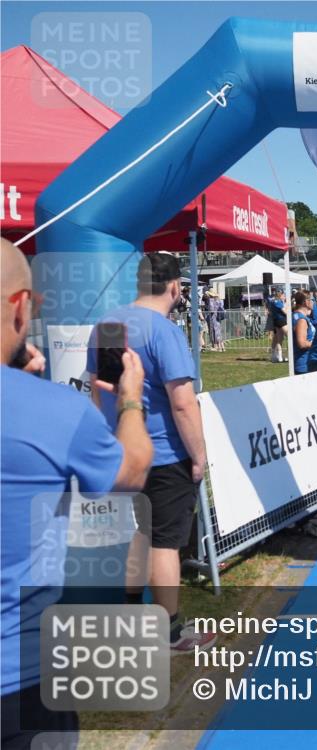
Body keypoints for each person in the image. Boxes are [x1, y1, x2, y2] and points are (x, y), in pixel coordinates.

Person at [2, 238, 152, 748]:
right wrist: (130, 400)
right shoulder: (52, 412)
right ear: (20, 306)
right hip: (18, 678)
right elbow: (130, 472)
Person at [86, 253, 214, 654]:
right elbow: (182, 403)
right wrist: (199, 455)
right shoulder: (165, 332)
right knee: (163, 543)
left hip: (121, 451)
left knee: (137, 537)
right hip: (163, 454)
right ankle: (171, 631)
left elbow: (98, 388)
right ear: (175, 287)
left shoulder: (108, 324)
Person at [291, 290, 315, 375]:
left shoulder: (297, 315)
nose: (313, 302)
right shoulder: (301, 320)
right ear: (306, 302)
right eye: (312, 299)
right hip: (303, 365)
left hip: (303, 363)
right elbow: (302, 344)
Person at [266, 289, 287, 363]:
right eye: (283, 295)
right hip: (280, 321)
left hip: (277, 321)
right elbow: (285, 312)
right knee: (287, 336)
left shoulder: (277, 301)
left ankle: (278, 356)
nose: (284, 297)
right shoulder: (277, 302)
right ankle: (279, 356)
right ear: (280, 295)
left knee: (278, 339)